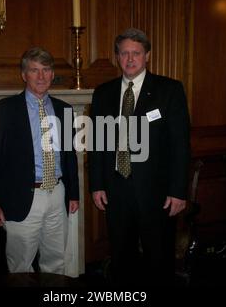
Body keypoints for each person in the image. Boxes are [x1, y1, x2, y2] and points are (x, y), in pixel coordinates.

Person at [88, 28, 190, 286]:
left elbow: (180, 145)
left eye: (136, 53)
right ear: (117, 57)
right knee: (122, 260)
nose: (130, 59)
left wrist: (179, 191)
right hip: (116, 190)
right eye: (124, 53)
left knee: (159, 259)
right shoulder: (103, 93)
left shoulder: (169, 90)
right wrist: (97, 184)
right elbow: (98, 143)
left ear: (147, 56)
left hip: (157, 194)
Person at [0, 47, 79, 275]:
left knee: (56, 261)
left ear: (53, 74)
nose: (41, 76)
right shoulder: (3, 110)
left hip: (57, 194)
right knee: (20, 266)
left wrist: (73, 193)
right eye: (34, 70)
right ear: (24, 75)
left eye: (46, 70)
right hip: (21, 197)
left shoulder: (64, 109)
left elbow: (69, 155)